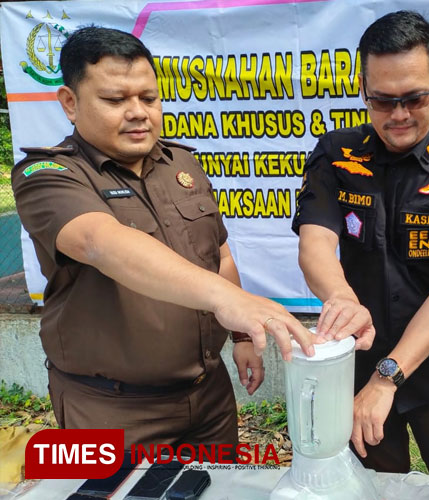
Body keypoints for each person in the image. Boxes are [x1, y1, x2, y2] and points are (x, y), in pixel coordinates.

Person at [11, 27, 319, 451]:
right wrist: (227, 301)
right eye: (116, 100)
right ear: (69, 102)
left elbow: (219, 255)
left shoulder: (182, 164)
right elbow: (102, 242)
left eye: (149, 98)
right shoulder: (48, 176)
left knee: (221, 488)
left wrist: (243, 336)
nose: (138, 112)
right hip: (111, 410)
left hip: (208, 395)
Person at [292, 11, 429, 474]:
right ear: (362, 87)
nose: (400, 115)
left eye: (414, 97)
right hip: (354, 364)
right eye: (383, 100)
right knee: (374, 486)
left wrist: (387, 379)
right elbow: (315, 246)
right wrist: (342, 298)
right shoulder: (335, 153)